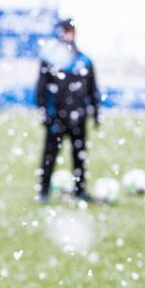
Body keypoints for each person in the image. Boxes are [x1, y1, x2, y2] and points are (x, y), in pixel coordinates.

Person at [35, 17, 100, 202]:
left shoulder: (84, 60)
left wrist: (95, 113)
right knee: (50, 155)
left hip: (78, 117)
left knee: (79, 155)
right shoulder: (50, 61)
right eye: (64, 30)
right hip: (56, 117)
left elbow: (92, 89)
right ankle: (43, 191)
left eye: (69, 30)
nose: (67, 34)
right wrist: (44, 112)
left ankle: (80, 191)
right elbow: (40, 88)